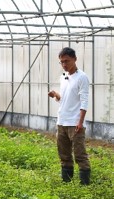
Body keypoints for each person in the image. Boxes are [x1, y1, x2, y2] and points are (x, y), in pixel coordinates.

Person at [48, 47, 91, 185]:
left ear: (75, 59)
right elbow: (65, 99)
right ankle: (67, 182)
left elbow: (84, 101)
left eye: (67, 61)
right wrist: (56, 95)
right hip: (62, 122)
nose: (64, 64)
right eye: (61, 62)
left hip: (75, 123)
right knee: (64, 155)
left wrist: (80, 122)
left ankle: (85, 184)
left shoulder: (82, 77)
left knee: (80, 155)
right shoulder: (64, 77)